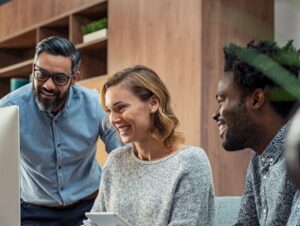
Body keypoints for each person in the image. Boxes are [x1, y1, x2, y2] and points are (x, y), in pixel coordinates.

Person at [0, 36, 121, 226]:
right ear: (33, 70)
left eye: (59, 78)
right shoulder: (8, 109)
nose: (48, 85)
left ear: (74, 78)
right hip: (34, 211)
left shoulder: (94, 105)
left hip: (89, 206)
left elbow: (121, 153)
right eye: (41, 75)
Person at [83, 65, 215, 226]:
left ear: (153, 103)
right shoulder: (116, 160)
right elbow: (94, 222)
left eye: (121, 108)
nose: (113, 119)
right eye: (109, 111)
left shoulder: (190, 161)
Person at [212, 40, 300, 225]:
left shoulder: (296, 153)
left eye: (222, 100)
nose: (216, 114)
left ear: (257, 99)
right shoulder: (259, 160)